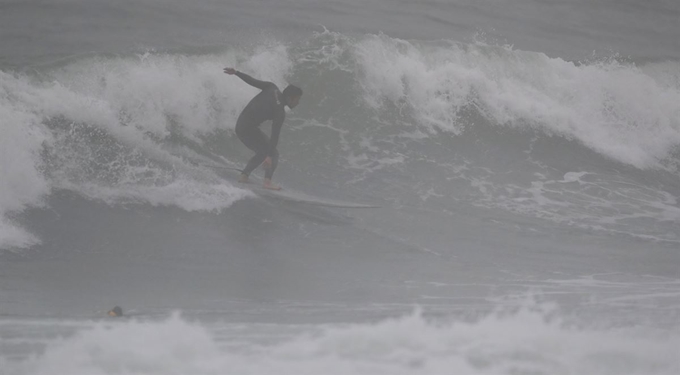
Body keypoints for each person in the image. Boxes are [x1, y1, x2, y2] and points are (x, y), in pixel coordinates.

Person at [223, 67, 302, 190]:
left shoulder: (272, 87)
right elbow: (274, 135)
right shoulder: (280, 112)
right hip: (248, 129)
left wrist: (237, 73)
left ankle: (244, 175)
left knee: (262, 151)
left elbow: (252, 81)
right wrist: (269, 157)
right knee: (273, 153)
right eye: (297, 99)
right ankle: (267, 182)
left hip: (241, 125)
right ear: (291, 98)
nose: (298, 103)